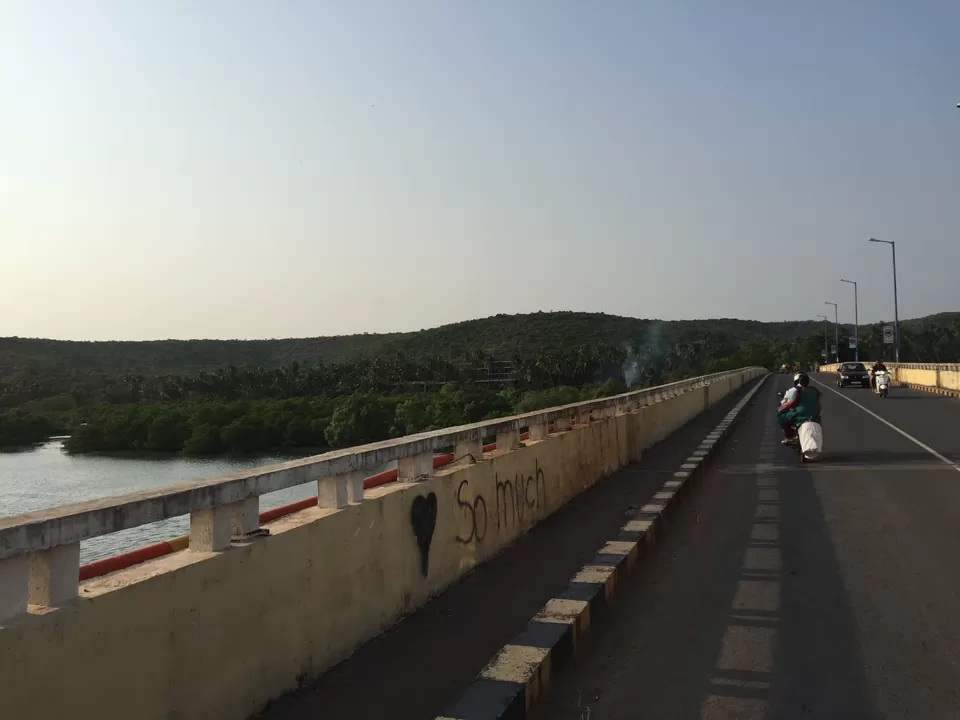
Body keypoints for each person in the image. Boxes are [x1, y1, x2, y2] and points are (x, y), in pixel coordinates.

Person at [777, 371, 822, 444]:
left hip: (800, 415)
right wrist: (817, 414)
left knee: (781, 418)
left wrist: (781, 406)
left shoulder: (794, 390)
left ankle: (789, 437)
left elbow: (789, 403)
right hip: (814, 415)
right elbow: (819, 405)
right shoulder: (815, 390)